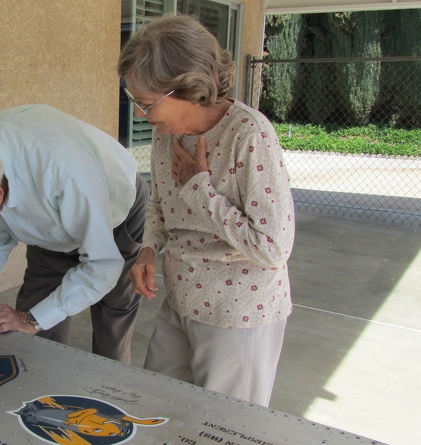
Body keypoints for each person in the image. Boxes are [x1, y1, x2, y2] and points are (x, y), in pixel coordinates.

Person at [118, 14, 296, 406]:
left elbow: (273, 246)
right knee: (158, 409)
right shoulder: (170, 134)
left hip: (237, 314)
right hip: (181, 300)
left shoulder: (249, 135)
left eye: (146, 103)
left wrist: (201, 190)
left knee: (223, 426)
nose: (138, 114)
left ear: (187, 86)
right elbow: (161, 204)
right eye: (135, 101)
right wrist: (148, 248)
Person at [0, 105, 150, 364]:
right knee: (31, 338)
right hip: (49, 222)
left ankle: (112, 391)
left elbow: (103, 267)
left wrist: (31, 319)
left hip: (115, 208)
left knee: (112, 317)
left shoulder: (65, 172)